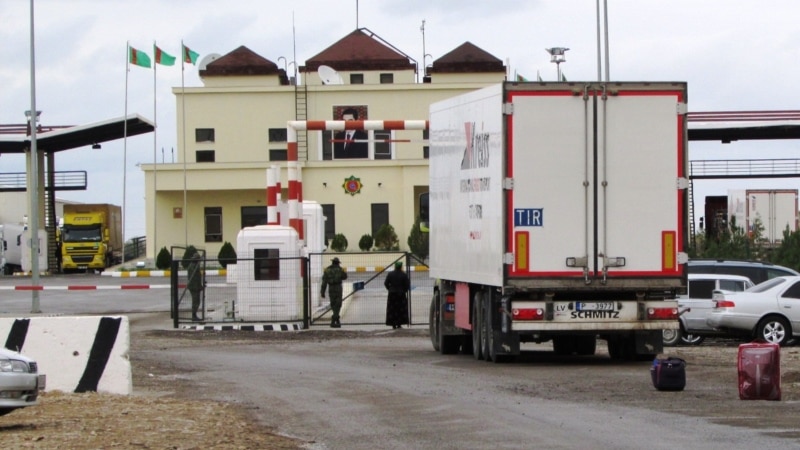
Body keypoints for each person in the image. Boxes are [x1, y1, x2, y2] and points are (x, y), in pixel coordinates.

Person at [321, 257, 348, 328]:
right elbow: (345, 277)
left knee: (333, 303)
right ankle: (336, 319)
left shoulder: (327, 270)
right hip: (338, 287)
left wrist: (322, 292)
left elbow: (324, 282)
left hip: (331, 288)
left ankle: (334, 319)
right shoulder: (340, 269)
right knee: (338, 304)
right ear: (338, 263)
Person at [384, 261, 410, 329]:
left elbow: (386, 283)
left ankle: (393, 324)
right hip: (401, 294)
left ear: (395, 266)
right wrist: (404, 290)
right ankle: (399, 324)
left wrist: (390, 289)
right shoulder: (404, 275)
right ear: (401, 267)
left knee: (392, 309)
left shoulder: (390, 274)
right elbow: (407, 285)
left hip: (392, 294)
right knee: (400, 309)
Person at [187, 252, 205, 321]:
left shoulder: (194, 265)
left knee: (197, 301)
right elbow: (195, 278)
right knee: (195, 301)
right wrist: (199, 287)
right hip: (194, 287)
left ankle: (194, 315)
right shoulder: (193, 266)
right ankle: (193, 316)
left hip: (195, 286)